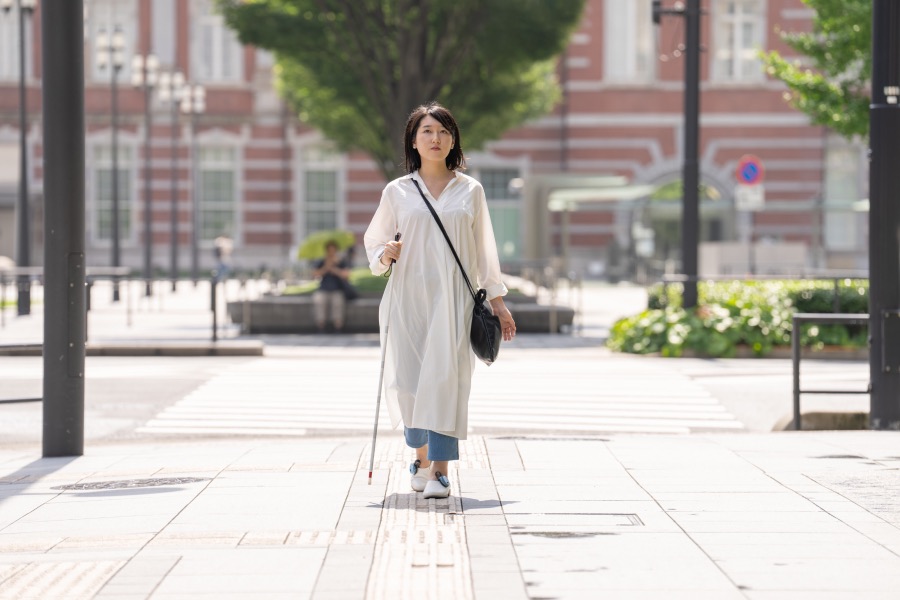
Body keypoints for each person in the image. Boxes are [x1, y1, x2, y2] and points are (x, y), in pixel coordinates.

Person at [364, 102, 516, 499]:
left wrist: (498, 303)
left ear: (454, 141)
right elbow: (374, 240)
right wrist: (386, 255)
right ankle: (420, 456)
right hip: (408, 299)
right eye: (427, 131)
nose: (436, 139)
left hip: (454, 300)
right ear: (413, 141)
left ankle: (441, 470)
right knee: (410, 381)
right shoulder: (397, 191)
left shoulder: (470, 190)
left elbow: (486, 250)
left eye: (444, 132)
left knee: (447, 380)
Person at [312, 240, 351, 332]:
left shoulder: (341, 262)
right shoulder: (322, 261)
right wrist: (326, 267)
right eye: (329, 250)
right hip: (323, 289)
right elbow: (314, 274)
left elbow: (346, 275)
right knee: (319, 301)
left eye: (333, 250)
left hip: (337, 289)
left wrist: (334, 269)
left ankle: (338, 326)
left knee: (338, 303)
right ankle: (321, 326)